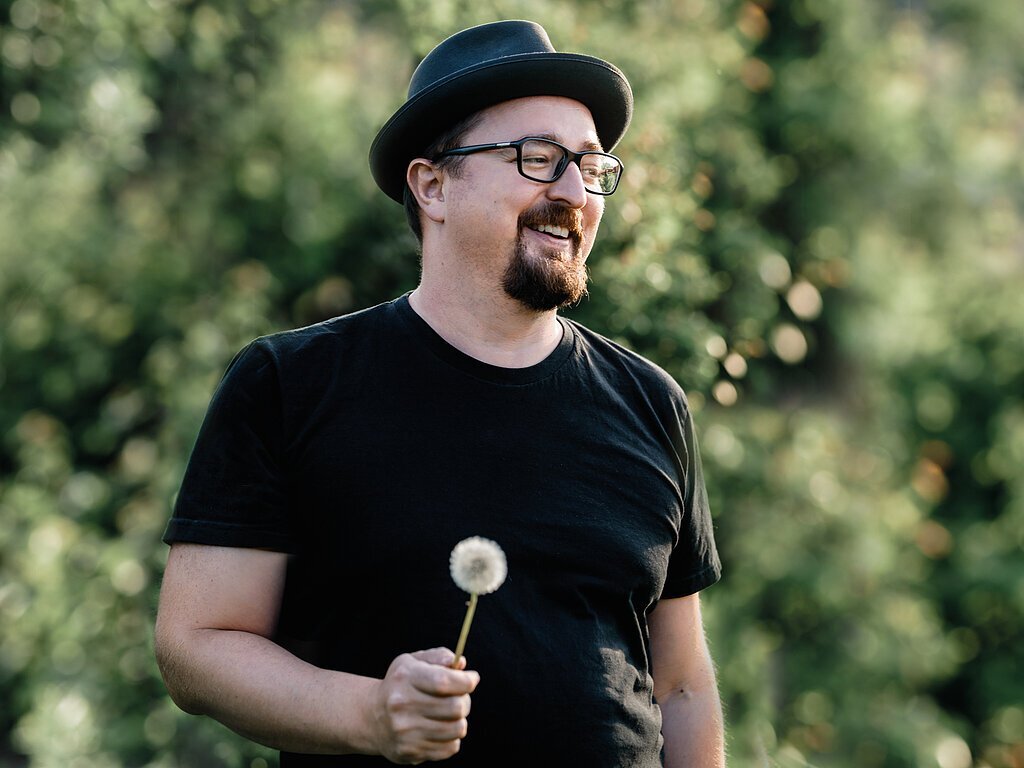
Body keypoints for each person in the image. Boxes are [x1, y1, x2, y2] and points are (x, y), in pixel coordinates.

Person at [154, 19, 724, 767]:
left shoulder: (653, 403)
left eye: (590, 167)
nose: (573, 192)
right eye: (538, 158)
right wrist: (370, 715)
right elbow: (195, 646)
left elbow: (680, 686)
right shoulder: (289, 384)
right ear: (432, 185)